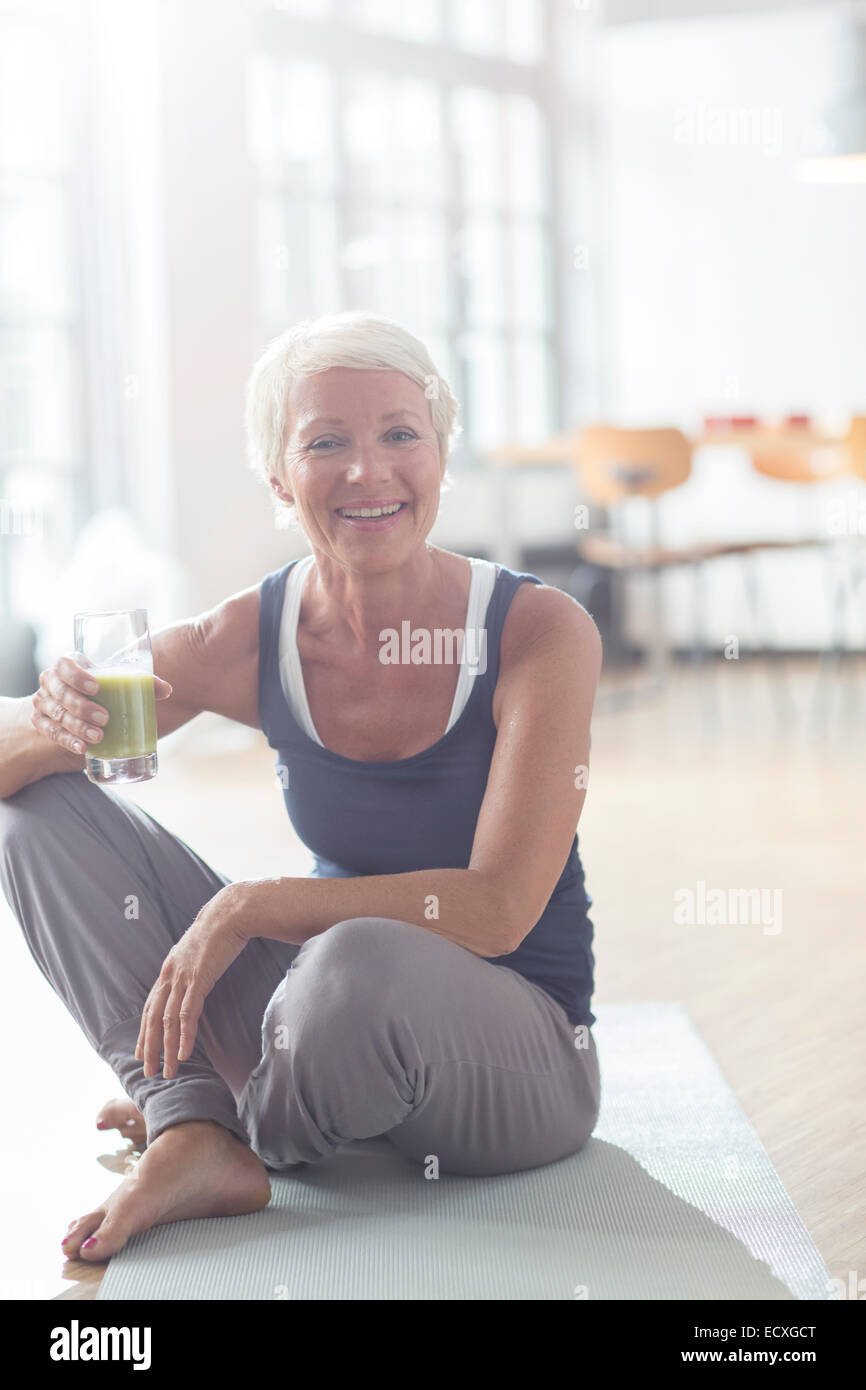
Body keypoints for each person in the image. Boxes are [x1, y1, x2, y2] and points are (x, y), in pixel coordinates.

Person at [0, 311, 602, 1265]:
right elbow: (12, 756)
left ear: (441, 454)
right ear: (281, 477)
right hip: (326, 1018)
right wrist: (54, 712)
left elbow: (494, 913)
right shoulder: (257, 633)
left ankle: (232, 1108)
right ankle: (193, 1124)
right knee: (34, 814)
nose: (369, 472)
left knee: (357, 962)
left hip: (517, 1057)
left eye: (401, 434)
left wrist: (253, 906)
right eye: (327, 442)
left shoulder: (539, 632)